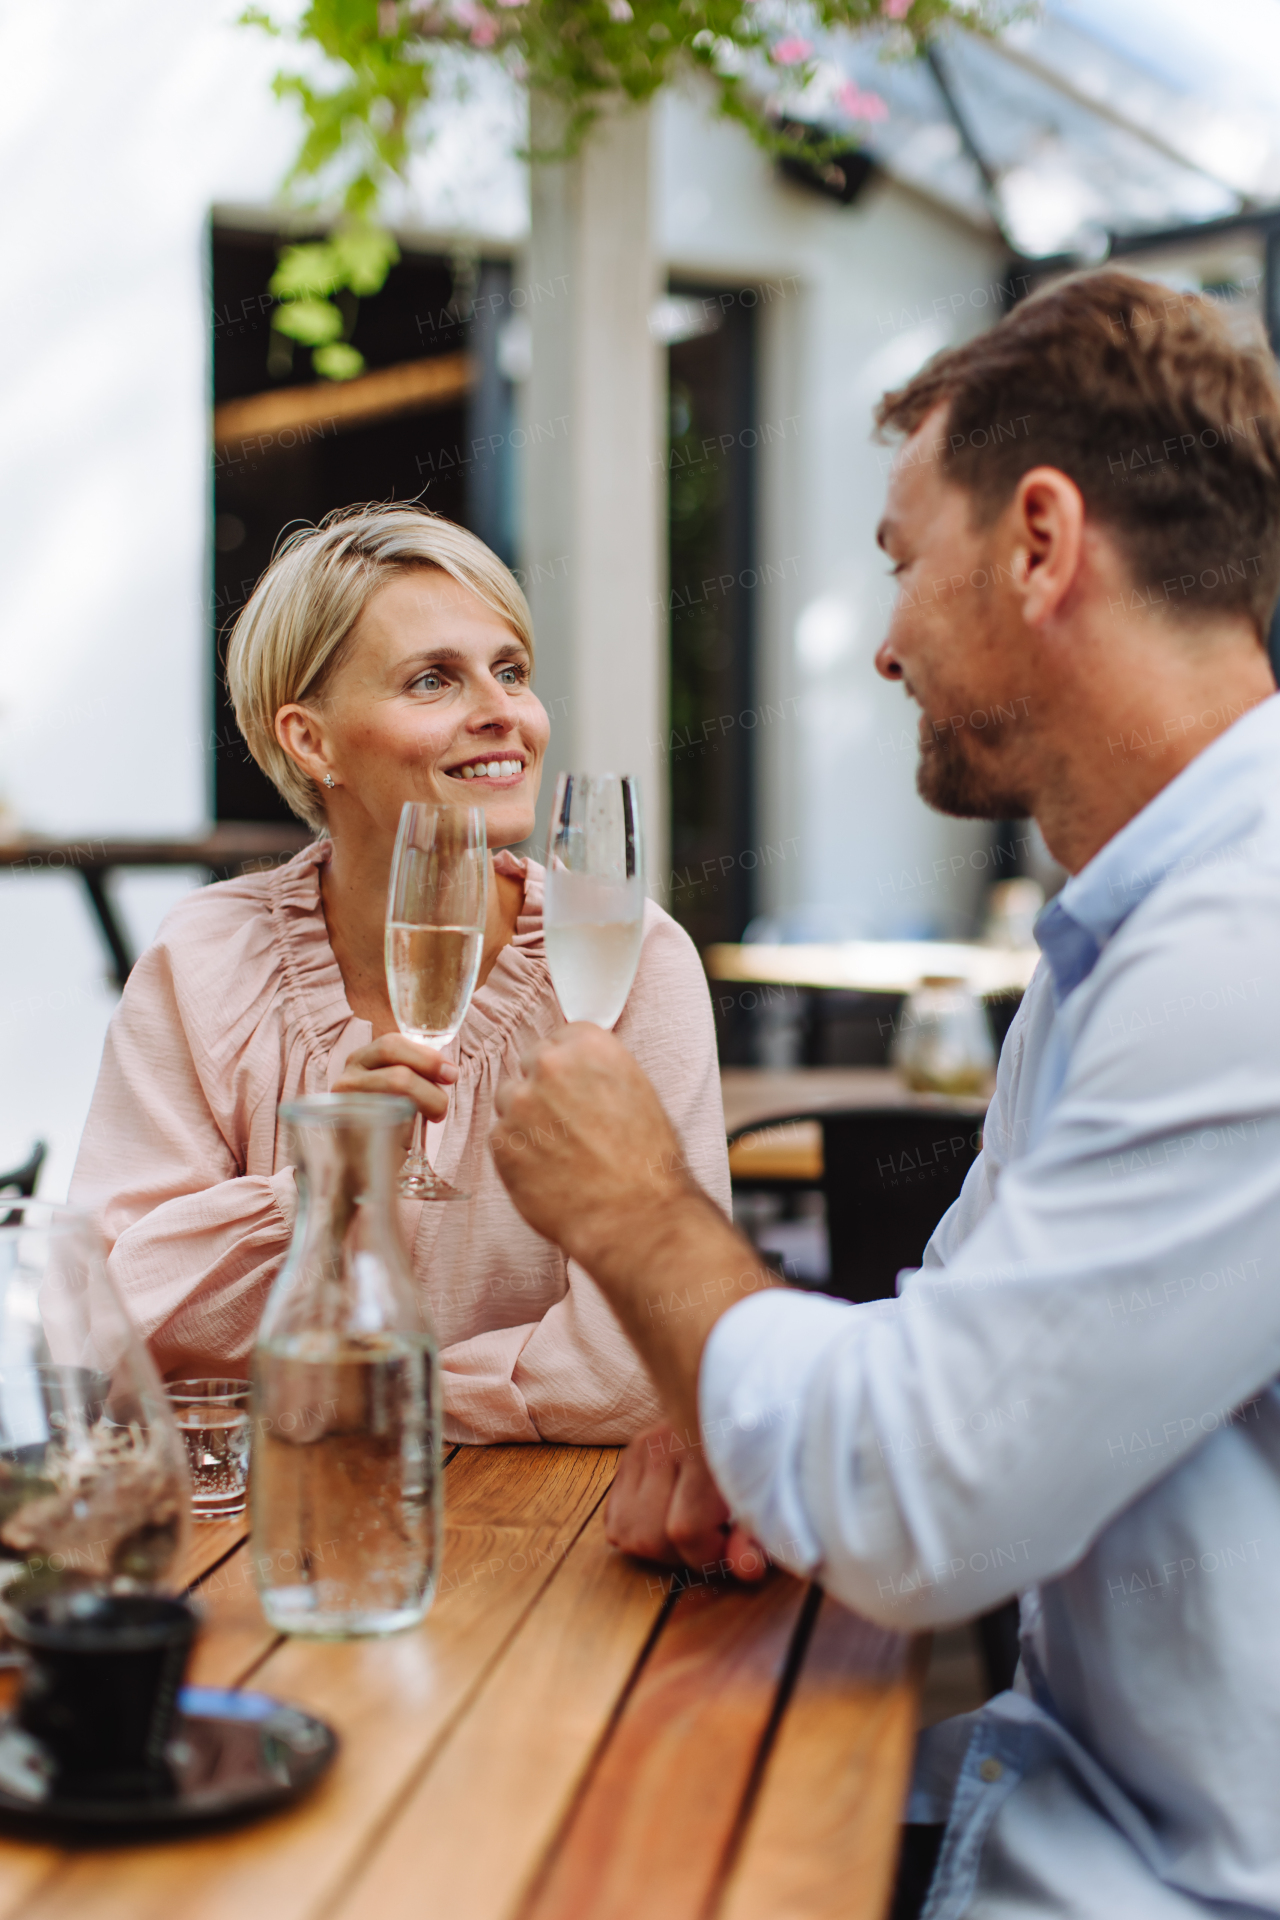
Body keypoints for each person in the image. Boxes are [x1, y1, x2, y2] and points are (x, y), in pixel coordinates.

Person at [489, 270, 1280, 1917]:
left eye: (904, 565)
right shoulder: (1126, 939)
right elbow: (942, 1363)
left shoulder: (1241, 951)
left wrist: (639, 1210)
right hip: (1051, 1812)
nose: (884, 648)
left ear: (1042, 543)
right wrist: (757, 1422)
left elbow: (914, 1503)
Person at [69, 504, 729, 1446]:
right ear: (311, 740)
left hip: (548, 1539)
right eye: (433, 680)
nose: (503, 711)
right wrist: (320, 1188)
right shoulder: (205, 960)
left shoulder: (631, 956)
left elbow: (639, 1367)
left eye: (511, 671)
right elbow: (104, 1326)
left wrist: (332, 1398)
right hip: (257, 1532)